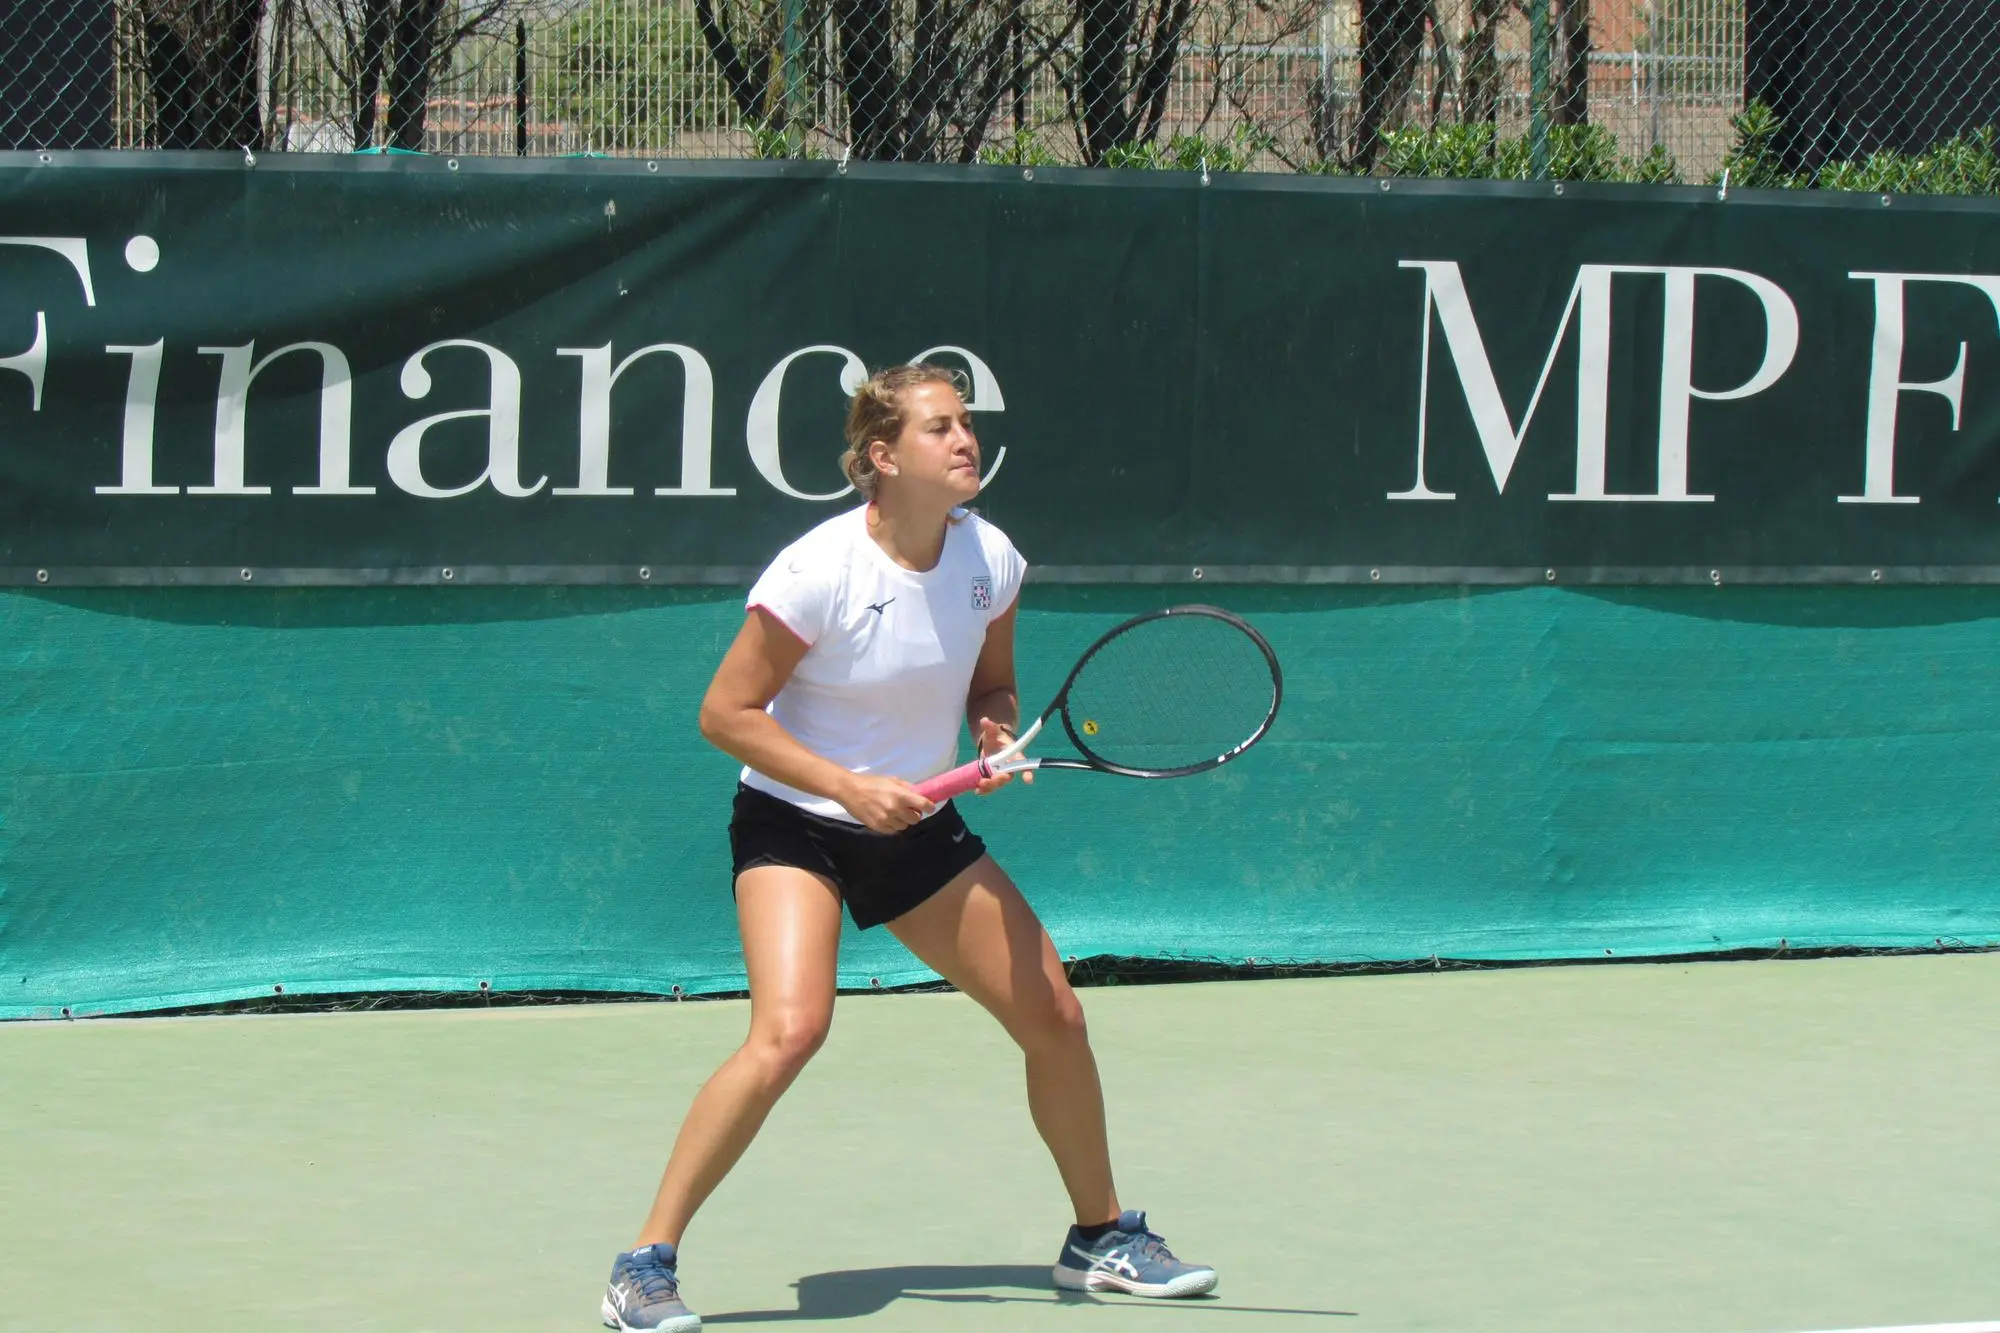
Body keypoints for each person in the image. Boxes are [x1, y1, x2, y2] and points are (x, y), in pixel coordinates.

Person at [599, 364, 1217, 1332]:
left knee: (1055, 1015)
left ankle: (1100, 1237)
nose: (965, 439)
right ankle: (644, 1263)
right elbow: (724, 713)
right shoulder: (818, 570)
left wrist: (990, 731)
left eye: (966, 423)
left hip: (917, 829)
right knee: (790, 1030)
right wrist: (846, 786)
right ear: (881, 457)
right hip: (794, 822)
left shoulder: (989, 559)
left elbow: (991, 684)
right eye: (940, 427)